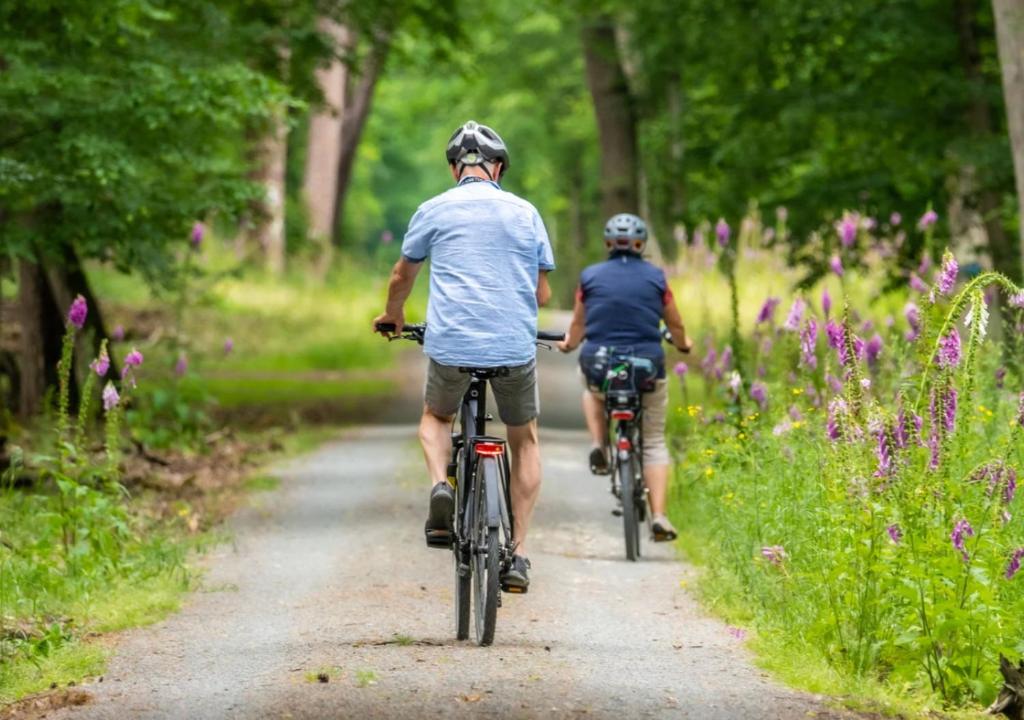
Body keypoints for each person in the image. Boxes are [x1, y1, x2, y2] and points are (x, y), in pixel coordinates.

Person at [373, 120, 554, 592]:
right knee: (525, 439)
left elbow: (401, 276)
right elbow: (543, 290)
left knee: (436, 417)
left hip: (451, 343)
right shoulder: (525, 212)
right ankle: (518, 555)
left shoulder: (433, 209)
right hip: (514, 346)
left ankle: (441, 486)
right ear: (498, 168)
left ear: (456, 169)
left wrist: (394, 315)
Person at [558, 213, 692, 541]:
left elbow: (578, 324)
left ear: (607, 243)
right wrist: (684, 344)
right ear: (640, 244)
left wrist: (570, 344)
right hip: (646, 367)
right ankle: (659, 516)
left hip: (602, 365)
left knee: (590, 388)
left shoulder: (590, 277)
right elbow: (674, 324)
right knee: (655, 441)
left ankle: (599, 444)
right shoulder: (657, 278)